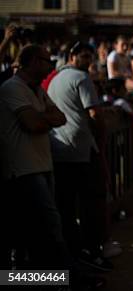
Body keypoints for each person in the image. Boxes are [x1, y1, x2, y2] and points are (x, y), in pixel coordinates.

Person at [0, 45, 70, 269]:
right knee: (48, 225)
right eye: (46, 61)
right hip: (22, 170)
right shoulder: (12, 88)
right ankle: (60, 278)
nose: (51, 66)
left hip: (41, 166)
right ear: (32, 62)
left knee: (37, 230)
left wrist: (40, 116)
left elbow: (61, 117)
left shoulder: (36, 89)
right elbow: (33, 124)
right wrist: (42, 117)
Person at [47, 41, 115, 271]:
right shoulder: (80, 77)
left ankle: (74, 254)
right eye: (84, 56)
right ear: (72, 56)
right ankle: (91, 253)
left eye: (90, 57)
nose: (88, 61)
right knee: (91, 204)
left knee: (66, 207)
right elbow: (95, 114)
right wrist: (101, 142)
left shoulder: (55, 79)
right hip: (81, 151)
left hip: (59, 151)